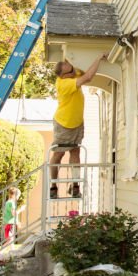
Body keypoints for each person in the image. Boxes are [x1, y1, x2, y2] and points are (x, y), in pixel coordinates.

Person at [51, 54, 107, 199]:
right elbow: (88, 77)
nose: (74, 72)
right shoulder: (64, 83)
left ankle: (75, 186)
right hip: (64, 123)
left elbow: (71, 60)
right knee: (59, 154)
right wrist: (98, 58)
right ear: (64, 75)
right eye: (71, 71)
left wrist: (69, 59)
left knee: (75, 152)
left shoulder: (70, 75)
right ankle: (53, 186)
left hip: (76, 123)